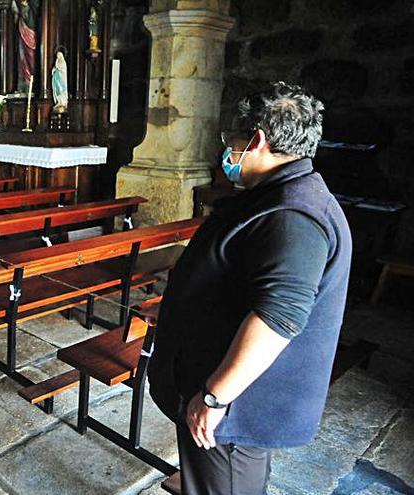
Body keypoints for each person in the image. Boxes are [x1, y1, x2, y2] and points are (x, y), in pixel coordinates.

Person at [148, 82, 352, 495]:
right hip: (225, 388)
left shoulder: (294, 215)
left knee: (225, 484)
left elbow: (278, 318)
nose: (228, 151)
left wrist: (213, 399)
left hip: (234, 409)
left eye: (231, 141)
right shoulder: (281, 194)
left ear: (256, 140)